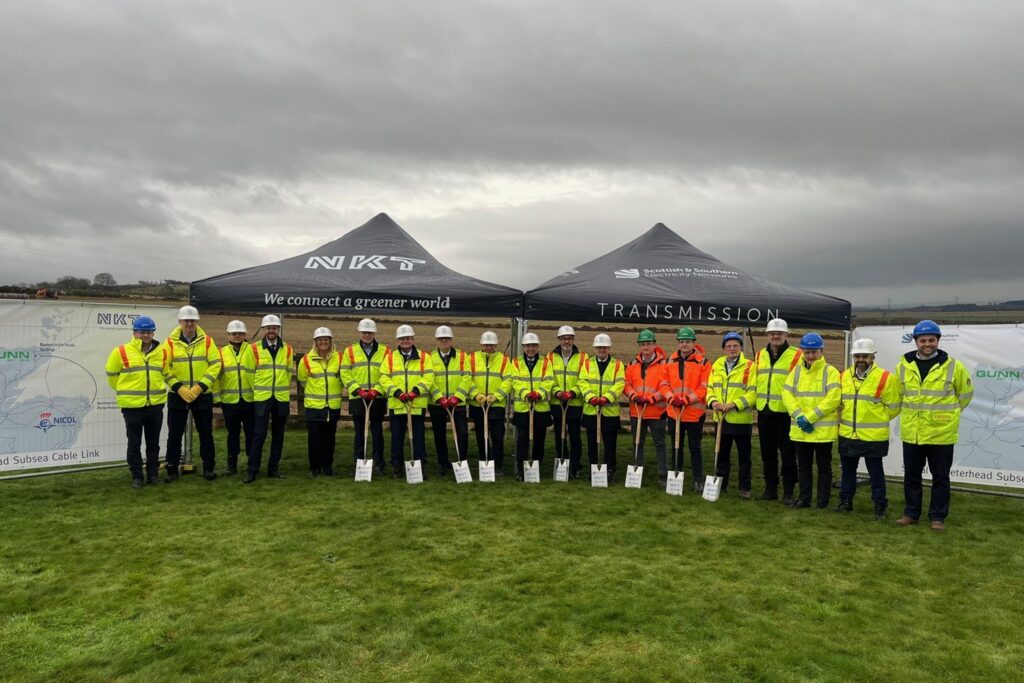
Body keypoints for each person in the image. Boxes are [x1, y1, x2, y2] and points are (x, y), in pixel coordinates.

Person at [895, 320, 973, 531]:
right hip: (913, 433)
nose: (927, 344)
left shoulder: (954, 367)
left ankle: (938, 517)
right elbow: (899, 395)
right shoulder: (902, 365)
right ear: (916, 342)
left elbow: (965, 395)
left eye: (931, 340)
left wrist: (950, 415)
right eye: (923, 340)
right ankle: (911, 513)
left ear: (938, 341)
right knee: (911, 476)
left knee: (940, 477)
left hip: (941, 434)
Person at [836, 338, 902, 519]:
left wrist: (877, 418)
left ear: (873, 357)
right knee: (847, 472)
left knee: (876, 474)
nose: (860, 359)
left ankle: (880, 506)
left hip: (874, 436)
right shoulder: (843, 376)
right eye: (857, 356)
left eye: (864, 356)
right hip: (848, 433)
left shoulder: (886, 378)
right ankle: (845, 501)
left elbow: (895, 406)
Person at [104, 315, 169, 488]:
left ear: (153, 333)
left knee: (153, 443)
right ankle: (137, 476)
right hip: (132, 407)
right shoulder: (121, 351)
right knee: (134, 443)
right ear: (134, 333)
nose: (145, 336)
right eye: (142, 332)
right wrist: (125, 391)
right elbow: (112, 375)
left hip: (155, 405)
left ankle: (153, 475)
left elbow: (165, 373)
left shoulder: (161, 352)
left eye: (149, 332)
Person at [162, 305, 222, 481]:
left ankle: (209, 469)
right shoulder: (170, 343)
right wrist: (179, 387)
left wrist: (200, 387)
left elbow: (216, 364)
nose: (189, 324)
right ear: (180, 322)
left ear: (197, 322)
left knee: (205, 434)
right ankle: (172, 470)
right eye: (186, 320)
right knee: (174, 435)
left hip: (202, 394)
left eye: (192, 321)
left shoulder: (208, 342)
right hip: (177, 394)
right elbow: (165, 368)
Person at [781, 332, 841, 509]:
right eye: (807, 352)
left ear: (821, 351)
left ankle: (823, 501)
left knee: (824, 468)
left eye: (814, 352)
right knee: (804, 467)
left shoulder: (830, 372)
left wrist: (809, 418)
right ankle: (804, 498)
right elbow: (787, 394)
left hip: (822, 431)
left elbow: (833, 399)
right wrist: (798, 416)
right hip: (801, 430)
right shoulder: (796, 371)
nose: (811, 356)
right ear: (802, 351)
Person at [754, 318, 802, 503]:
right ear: (767, 335)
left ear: (786, 335)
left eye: (779, 333)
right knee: (768, 454)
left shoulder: (797, 355)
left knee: (788, 455)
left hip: (785, 413)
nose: (775, 336)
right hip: (764, 412)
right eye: (772, 333)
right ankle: (770, 489)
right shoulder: (760, 355)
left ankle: (788, 491)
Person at [707, 332, 757, 497]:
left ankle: (744, 488)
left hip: (741, 420)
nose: (732, 348)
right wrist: (714, 402)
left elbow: (752, 394)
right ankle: (721, 485)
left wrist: (733, 404)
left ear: (741, 347)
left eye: (735, 345)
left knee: (744, 457)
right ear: (723, 349)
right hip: (721, 419)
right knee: (721, 455)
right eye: (728, 346)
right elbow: (710, 388)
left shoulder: (750, 366)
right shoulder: (717, 365)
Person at [245, 314, 294, 483]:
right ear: (263, 329)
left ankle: (273, 468)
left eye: (274, 328)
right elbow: (249, 374)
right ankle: (252, 470)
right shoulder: (253, 348)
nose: (271, 331)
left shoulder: (287, 349)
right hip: (262, 398)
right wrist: (259, 390)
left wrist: (280, 387)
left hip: (280, 397)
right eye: (268, 328)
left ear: (278, 329)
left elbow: (288, 372)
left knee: (278, 435)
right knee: (259, 434)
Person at [380, 325, 434, 478]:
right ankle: (397, 466)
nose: (406, 341)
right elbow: (384, 377)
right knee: (396, 437)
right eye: (403, 338)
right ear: (398, 340)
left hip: (416, 404)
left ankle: (419, 466)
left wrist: (415, 392)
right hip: (397, 404)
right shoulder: (390, 358)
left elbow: (429, 377)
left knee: (418, 438)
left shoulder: (424, 357)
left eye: (408, 338)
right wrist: (397, 392)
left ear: (413, 339)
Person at [663, 327, 711, 491]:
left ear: (693, 343)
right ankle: (677, 474)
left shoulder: (703, 363)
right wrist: (670, 397)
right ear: (678, 343)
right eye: (682, 342)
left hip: (694, 413)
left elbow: (704, 387)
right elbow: (664, 384)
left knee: (695, 447)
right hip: (674, 412)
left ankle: (698, 479)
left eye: (688, 342)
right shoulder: (670, 361)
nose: (684, 345)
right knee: (676, 444)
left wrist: (687, 400)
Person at [340, 318, 389, 474]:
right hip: (358, 397)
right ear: (360, 332)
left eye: (370, 332)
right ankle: (359, 461)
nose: (367, 335)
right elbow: (345, 373)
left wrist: (377, 390)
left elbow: (388, 373)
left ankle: (378, 463)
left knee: (376, 432)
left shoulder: (385, 350)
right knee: (360, 432)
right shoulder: (350, 351)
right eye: (364, 332)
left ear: (374, 332)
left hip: (377, 397)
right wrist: (357, 390)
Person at [622, 329, 670, 485]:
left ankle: (663, 474)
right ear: (639, 346)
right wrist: (633, 395)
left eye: (648, 344)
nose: (646, 347)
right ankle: (637, 471)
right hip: (637, 411)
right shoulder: (632, 364)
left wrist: (653, 398)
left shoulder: (664, 364)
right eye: (643, 344)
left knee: (660, 443)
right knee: (637, 442)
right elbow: (627, 384)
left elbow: (667, 386)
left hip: (657, 411)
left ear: (654, 344)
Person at [578, 333, 625, 482]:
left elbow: (620, 384)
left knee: (610, 444)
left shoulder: (617, 365)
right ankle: (593, 468)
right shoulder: (587, 363)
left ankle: (610, 469)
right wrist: (590, 396)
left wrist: (607, 397)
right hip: (591, 410)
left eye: (604, 347)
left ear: (609, 348)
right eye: (599, 347)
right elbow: (582, 382)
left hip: (609, 410)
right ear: (595, 348)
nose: (602, 350)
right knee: (592, 442)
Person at [297, 327, 342, 478]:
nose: (323, 342)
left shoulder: (339, 358)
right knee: (314, 439)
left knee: (329, 438)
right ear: (315, 342)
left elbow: (343, 378)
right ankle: (314, 467)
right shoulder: (306, 360)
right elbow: (302, 379)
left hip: (332, 405)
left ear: (330, 341)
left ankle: (328, 466)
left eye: (326, 340)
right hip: (314, 406)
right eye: (320, 340)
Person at [428, 325, 471, 478]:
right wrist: (439, 397)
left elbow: (467, 378)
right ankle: (443, 464)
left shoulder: (462, 356)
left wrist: (457, 397)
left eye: (446, 338)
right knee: (439, 435)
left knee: (463, 434)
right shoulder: (430, 357)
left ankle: (462, 461)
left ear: (451, 339)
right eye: (441, 338)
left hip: (457, 404)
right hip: (437, 404)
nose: (444, 340)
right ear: (437, 340)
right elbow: (428, 380)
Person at [468, 331, 512, 476]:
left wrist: (496, 396)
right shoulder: (472, 358)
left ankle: (497, 465)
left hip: (496, 406)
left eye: (491, 345)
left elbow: (508, 380)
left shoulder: (504, 360)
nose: (489, 347)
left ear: (496, 345)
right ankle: (483, 462)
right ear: (481, 344)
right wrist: (476, 394)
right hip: (478, 405)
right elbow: (467, 379)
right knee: (481, 436)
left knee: (498, 437)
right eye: (486, 345)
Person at [510, 332, 554, 481]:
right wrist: (526, 394)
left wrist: (539, 393)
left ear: (538, 347)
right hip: (523, 408)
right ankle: (521, 471)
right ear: (523, 346)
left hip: (540, 408)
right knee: (522, 439)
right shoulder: (516, 363)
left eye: (534, 346)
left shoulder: (546, 362)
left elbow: (549, 380)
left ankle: (536, 467)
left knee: (539, 439)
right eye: (528, 346)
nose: (531, 348)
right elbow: (514, 381)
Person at [547, 325, 588, 479]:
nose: (566, 341)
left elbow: (584, 379)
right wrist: (557, 391)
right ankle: (561, 461)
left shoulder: (583, 357)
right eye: (564, 338)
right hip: (557, 403)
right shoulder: (550, 357)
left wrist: (573, 392)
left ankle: (575, 465)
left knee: (575, 436)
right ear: (559, 339)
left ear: (573, 339)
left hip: (574, 403)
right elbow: (548, 378)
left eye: (569, 338)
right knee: (559, 435)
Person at [218, 320, 255, 476]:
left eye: (240, 333)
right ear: (229, 335)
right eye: (234, 334)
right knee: (232, 435)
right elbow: (216, 376)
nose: (237, 336)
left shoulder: (253, 350)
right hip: (230, 401)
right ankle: (231, 466)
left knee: (251, 434)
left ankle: (251, 464)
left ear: (245, 334)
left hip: (250, 400)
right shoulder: (220, 352)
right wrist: (216, 397)